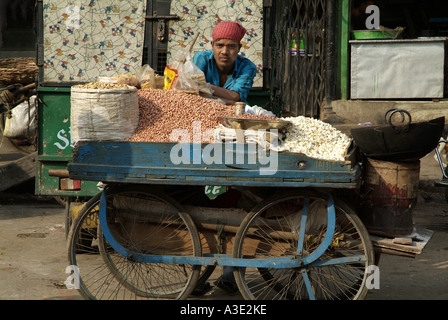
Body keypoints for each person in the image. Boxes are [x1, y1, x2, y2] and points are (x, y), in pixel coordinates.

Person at [193, 21, 257, 105]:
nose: (225, 52)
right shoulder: (202, 58)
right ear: (212, 45)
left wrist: (204, 87)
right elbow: (193, 92)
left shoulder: (247, 67)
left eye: (231, 46)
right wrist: (231, 102)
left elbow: (235, 96)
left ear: (239, 48)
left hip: (235, 112)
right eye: (220, 45)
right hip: (203, 107)